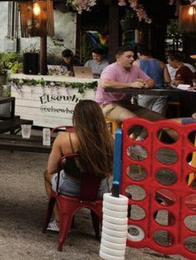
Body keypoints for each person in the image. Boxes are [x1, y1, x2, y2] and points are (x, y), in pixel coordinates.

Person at [43, 100, 113, 232]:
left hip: (71, 187)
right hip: (100, 190)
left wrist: (65, 162)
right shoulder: (110, 139)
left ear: (77, 118)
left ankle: (59, 221)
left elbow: (51, 169)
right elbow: (112, 169)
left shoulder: (64, 139)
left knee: (46, 175)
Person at [94, 46, 163, 122]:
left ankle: (144, 134)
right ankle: (136, 134)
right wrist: (131, 84)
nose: (132, 59)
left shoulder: (135, 69)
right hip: (107, 104)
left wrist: (145, 84)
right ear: (118, 57)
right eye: (128, 56)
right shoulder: (110, 69)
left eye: (133, 56)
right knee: (134, 120)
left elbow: (152, 81)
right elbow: (105, 83)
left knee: (158, 119)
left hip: (126, 104)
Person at [136, 47, 171, 116]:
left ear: (139, 54)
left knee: (144, 115)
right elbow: (168, 80)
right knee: (157, 116)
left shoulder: (136, 63)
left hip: (145, 92)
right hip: (160, 92)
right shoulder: (161, 63)